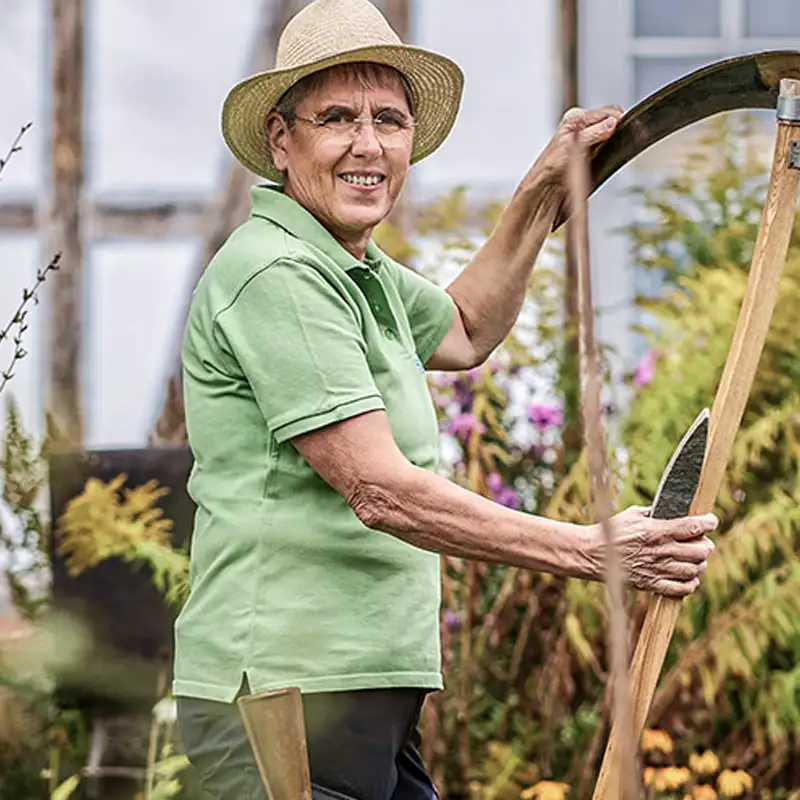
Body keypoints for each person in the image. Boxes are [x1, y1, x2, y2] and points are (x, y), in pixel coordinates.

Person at [172, 0, 718, 797]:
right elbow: (377, 488)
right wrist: (587, 550)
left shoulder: (350, 268)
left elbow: (463, 328)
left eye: (388, 120)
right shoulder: (279, 272)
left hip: (360, 690)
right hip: (283, 694)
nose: (368, 144)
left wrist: (540, 191)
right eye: (337, 118)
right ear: (281, 141)